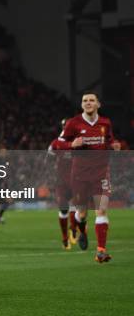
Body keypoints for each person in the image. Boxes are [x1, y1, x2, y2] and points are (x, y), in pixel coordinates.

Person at [55, 92, 121, 263]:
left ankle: (100, 251)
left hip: (100, 172)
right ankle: (81, 228)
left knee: (101, 209)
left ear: (98, 104)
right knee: (82, 213)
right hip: (79, 175)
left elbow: (108, 140)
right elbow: (59, 143)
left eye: (91, 100)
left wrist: (113, 146)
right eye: (85, 100)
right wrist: (71, 144)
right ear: (82, 104)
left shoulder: (105, 122)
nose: (88, 103)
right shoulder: (73, 123)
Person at [48, 119, 77, 249]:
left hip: (77, 180)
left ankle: (74, 229)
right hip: (61, 182)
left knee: (77, 208)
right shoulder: (56, 143)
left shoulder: (79, 142)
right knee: (64, 209)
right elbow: (49, 157)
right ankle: (65, 237)